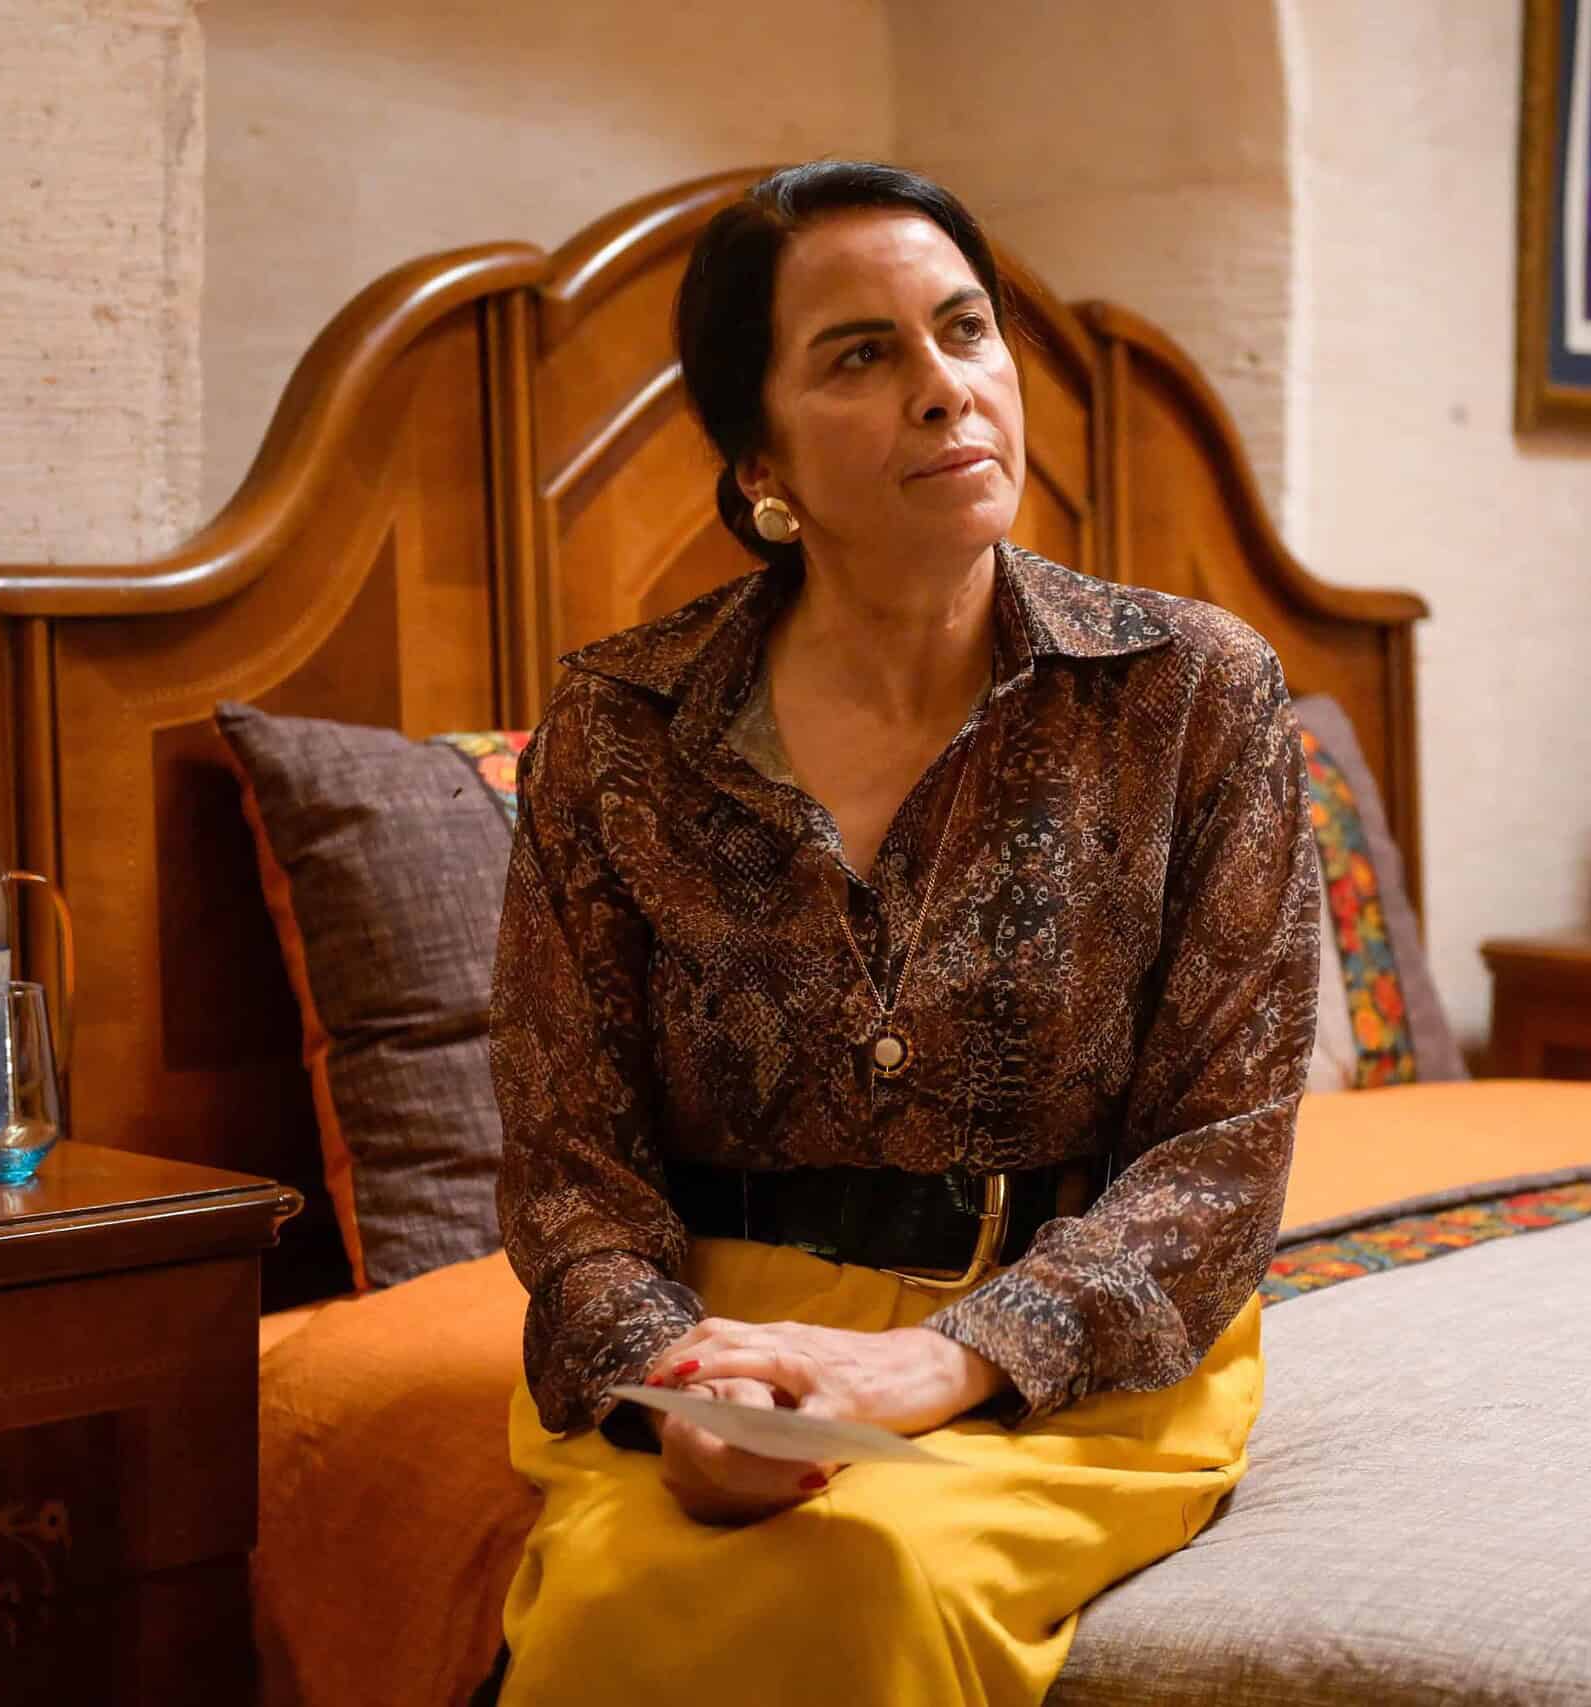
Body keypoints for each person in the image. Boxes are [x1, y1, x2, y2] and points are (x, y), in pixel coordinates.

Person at [485, 160, 1320, 1706]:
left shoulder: (1195, 694)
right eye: (861, 355)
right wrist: (681, 1389)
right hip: (717, 1343)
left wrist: (952, 1359)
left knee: (871, 1564)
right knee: (616, 1592)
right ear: (761, 461)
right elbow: (569, 1159)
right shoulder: (618, 728)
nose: (946, 387)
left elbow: (1223, 1150)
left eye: (965, 330)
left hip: (1071, 1354)